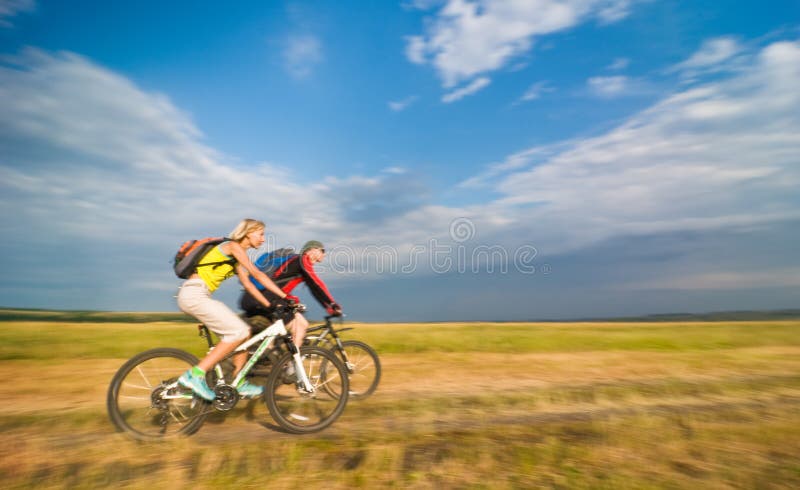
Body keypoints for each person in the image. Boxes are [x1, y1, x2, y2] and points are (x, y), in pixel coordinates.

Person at [176, 219, 297, 401]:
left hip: (199, 295)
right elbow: (257, 274)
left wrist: (270, 305)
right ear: (248, 233)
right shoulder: (232, 246)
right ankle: (195, 374)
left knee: (244, 334)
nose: (263, 239)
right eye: (261, 234)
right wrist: (286, 296)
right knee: (239, 331)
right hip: (194, 294)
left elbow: (249, 285)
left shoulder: (235, 259)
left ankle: (238, 381)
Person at [240, 240, 341, 348]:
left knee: (278, 327)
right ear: (312, 250)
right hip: (266, 297)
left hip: (259, 296)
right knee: (301, 324)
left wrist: (328, 306)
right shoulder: (302, 260)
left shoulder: (297, 262)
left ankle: (270, 356)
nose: (324, 254)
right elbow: (317, 284)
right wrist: (333, 304)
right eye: (322, 250)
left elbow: (314, 289)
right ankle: (292, 364)